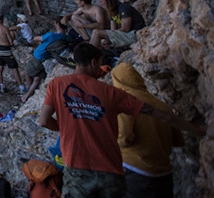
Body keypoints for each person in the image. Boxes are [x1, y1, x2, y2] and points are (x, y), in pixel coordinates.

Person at [38, 43, 200, 197]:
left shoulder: (57, 84)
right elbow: (163, 115)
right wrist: (198, 131)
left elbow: (43, 121)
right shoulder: (111, 92)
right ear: (94, 62)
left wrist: (66, 127)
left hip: (77, 168)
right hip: (110, 171)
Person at [111, 63, 185, 198]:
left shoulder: (125, 102)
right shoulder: (161, 105)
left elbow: (123, 138)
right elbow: (178, 140)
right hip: (164, 172)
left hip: (136, 170)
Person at [21, 18, 68, 103]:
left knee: (27, 72)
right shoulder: (66, 38)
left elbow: (36, 38)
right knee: (37, 78)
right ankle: (27, 96)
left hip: (38, 57)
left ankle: (28, 90)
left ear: (57, 24)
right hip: (47, 59)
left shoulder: (51, 35)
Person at [0, 13, 25, 93]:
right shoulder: (5, 28)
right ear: (2, 19)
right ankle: (21, 87)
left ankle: (2, 85)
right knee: (14, 68)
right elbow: (10, 41)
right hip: (7, 50)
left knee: (0, 68)